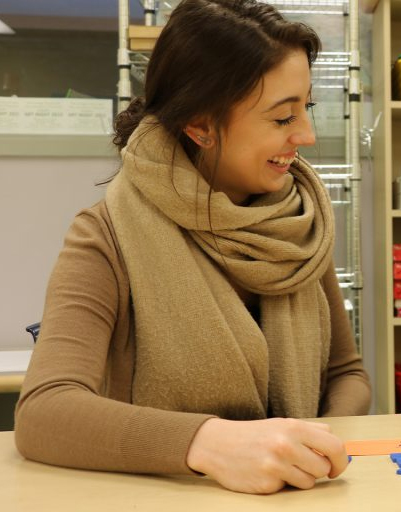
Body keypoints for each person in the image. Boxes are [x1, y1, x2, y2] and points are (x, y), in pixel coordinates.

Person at [15, 0, 371, 495]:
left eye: (306, 109)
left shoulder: (300, 222)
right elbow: (44, 410)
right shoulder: (105, 236)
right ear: (200, 125)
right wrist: (210, 444)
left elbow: (346, 374)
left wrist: (313, 444)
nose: (307, 135)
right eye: (282, 117)